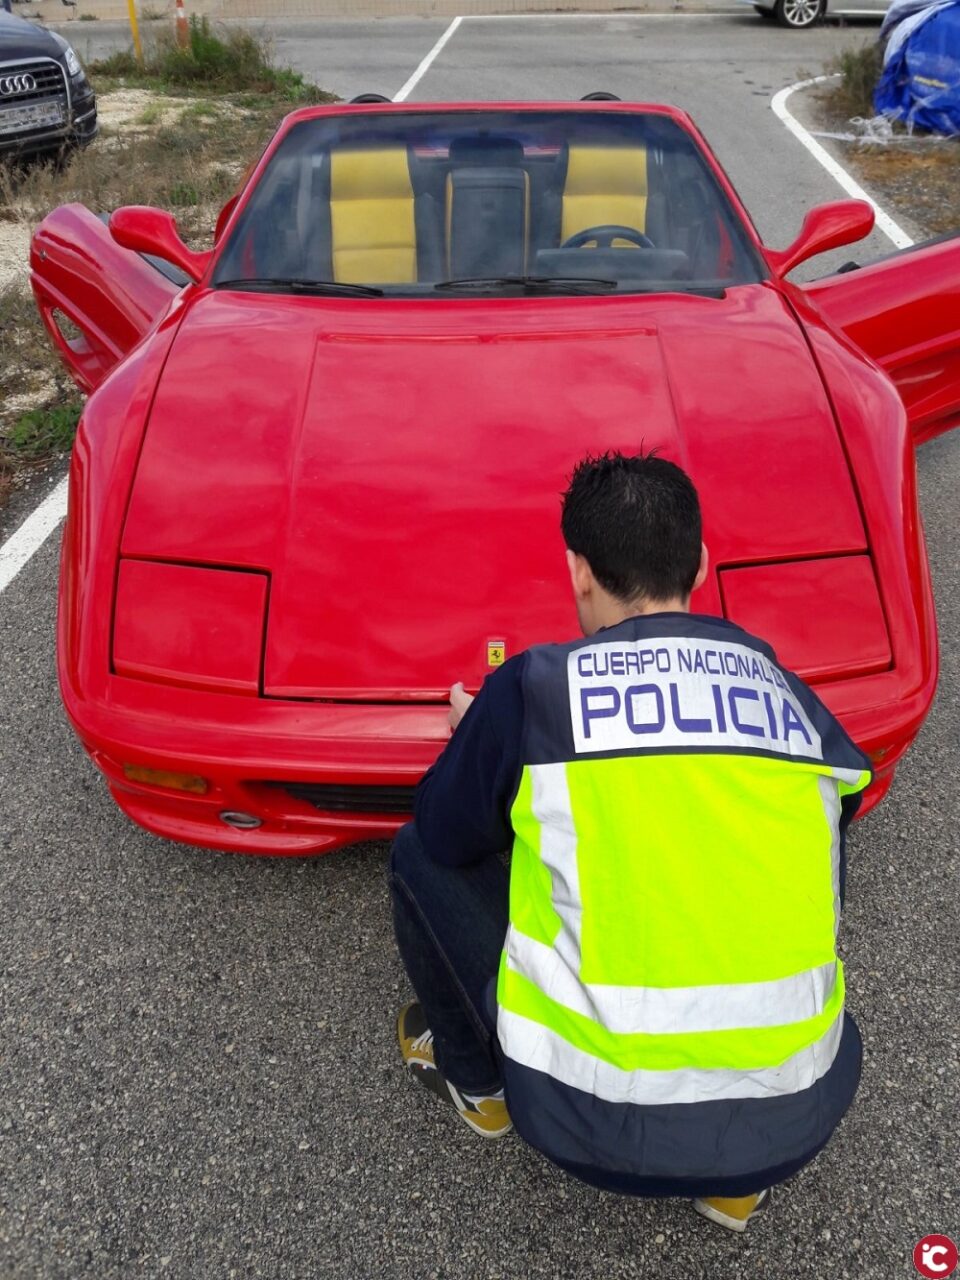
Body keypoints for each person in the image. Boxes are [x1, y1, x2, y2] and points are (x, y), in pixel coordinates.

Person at [389, 451, 870, 1233]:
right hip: (797, 1115)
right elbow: (827, 828)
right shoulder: (790, 696)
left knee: (416, 857)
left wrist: (475, 735)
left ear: (580, 570)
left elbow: (445, 827)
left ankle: (479, 1090)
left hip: (580, 1120)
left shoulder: (540, 686)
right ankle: (734, 1187)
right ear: (702, 565)